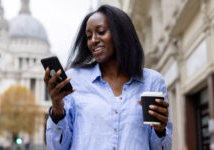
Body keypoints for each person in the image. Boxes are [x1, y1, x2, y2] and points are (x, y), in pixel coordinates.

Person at [44, 5, 172, 150]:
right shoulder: (74, 79)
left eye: (101, 32)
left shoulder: (152, 81)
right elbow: (56, 147)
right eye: (89, 36)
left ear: (121, 34)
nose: (93, 40)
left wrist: (160, 130)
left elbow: (164, 148)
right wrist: (57, 110)